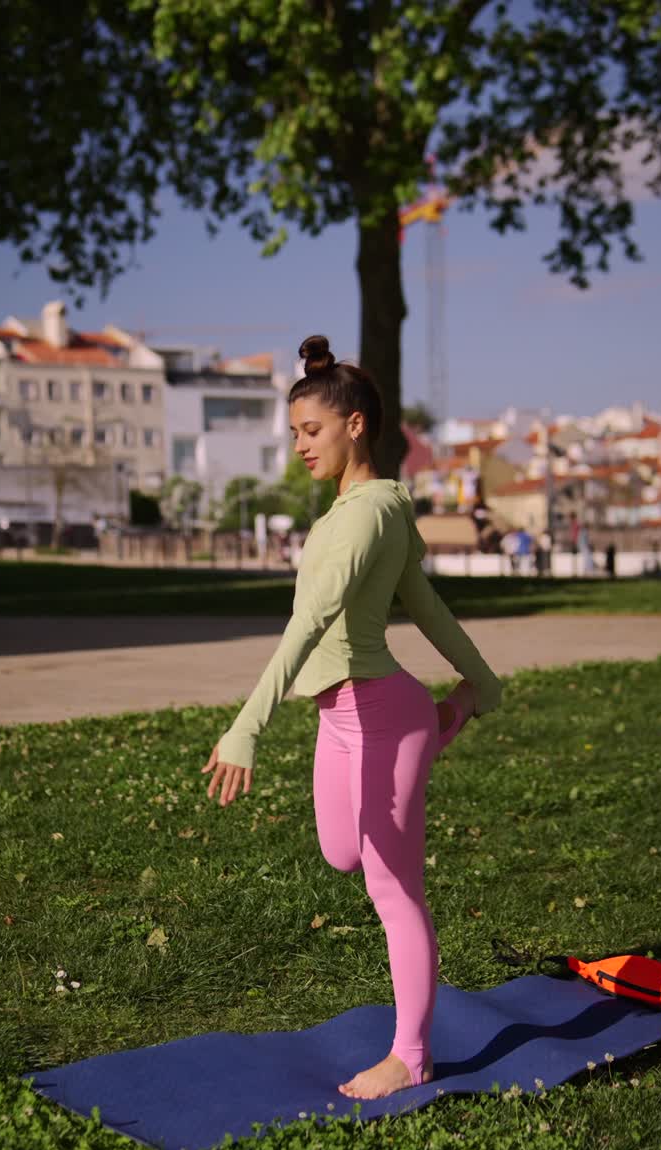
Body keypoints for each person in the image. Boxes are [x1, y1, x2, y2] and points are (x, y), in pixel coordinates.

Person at [201, 335, 503, 1102]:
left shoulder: (370, 518)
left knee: (392, 888)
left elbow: (309, 627)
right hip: (343, 721)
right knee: (342, 853)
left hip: (379, 715)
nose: (301, 446)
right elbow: (424, 603)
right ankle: (439, 723)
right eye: (296, 432)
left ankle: (411, 1055)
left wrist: (247, 727)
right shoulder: (351, 511)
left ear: (356, 425)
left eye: (313, 431)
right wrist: (478, 680)